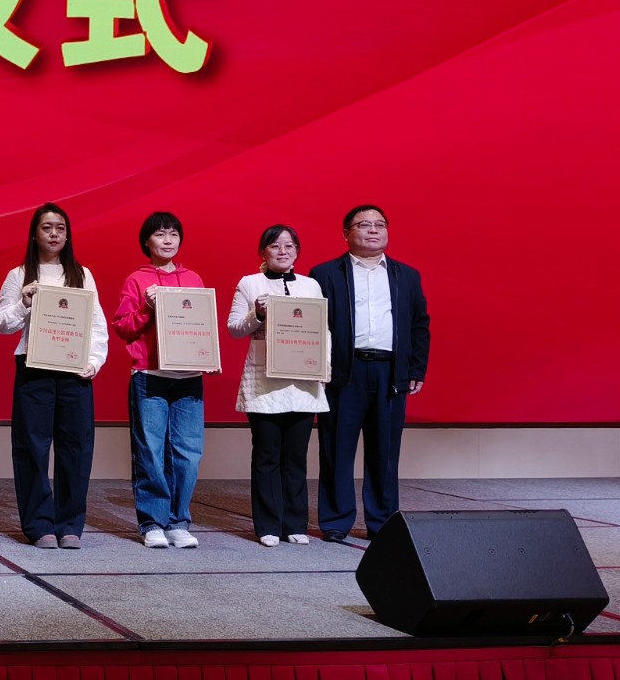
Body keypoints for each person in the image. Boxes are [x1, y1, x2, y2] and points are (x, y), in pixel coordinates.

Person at [309, 205, 431, 542]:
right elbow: (314, 326)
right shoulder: (325, 274)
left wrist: (415, 367)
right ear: (346, 233)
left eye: (380, 224)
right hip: (343, 372)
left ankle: (382, 523)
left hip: (390, 372)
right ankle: (336, 521)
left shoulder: (407, 275)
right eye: (364, 224)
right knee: (336, 448)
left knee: (385, 452)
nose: (373, 230)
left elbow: (419, 325)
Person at [0, 203, 109, 549]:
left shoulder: (82, 274)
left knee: (76, 447)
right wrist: (24, 303)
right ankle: (39, 525)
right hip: (34, 370)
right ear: (34, 234)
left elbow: (97, 325)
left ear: (67, 235)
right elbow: (1, 324)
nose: (54, 234)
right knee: (32, 447)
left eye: (60, 228)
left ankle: (70, 524)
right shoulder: (18, 275)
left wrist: (93, 361)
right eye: (47, 228)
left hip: (74, 371)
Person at [226, 224, 327, 547]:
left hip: (302, 383)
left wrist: (324, 368)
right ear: (263, 252)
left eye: (289, 246)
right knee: (267, 454)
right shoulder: (249, 283)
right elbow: (234, 329)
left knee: (296, 456)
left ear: (297, 251)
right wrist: (257, 313)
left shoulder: (311, 285)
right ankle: (268, 524)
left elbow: (322, 331)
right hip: (264, 383)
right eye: (275, 246)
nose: (283, 251)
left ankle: (295, 523)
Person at [110, 211, 205, 548]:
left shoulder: (193, 279)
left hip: (189, 376)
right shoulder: (137, 280)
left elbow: (203, 326)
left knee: (188, 453)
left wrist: (209, 358)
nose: (168, 240)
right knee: (150, 450)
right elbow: (123, 327)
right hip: (149, 374)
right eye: (160, 234)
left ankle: (179, 521)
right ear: (146, 242)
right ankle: (152, 522)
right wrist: (147, 308)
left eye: (173, 234)